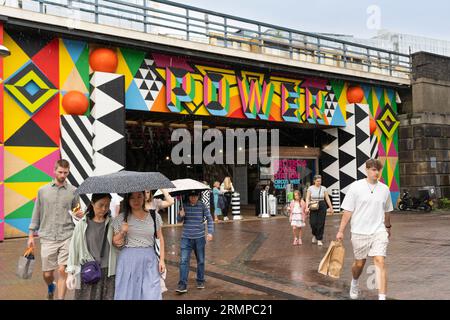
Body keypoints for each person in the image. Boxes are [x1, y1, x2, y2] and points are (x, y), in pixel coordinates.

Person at [336, 159, 393, 300]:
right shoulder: (356, 187)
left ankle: (382, 297)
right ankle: (354, 282)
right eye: (374, 170)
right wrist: (341, 230)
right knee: (359, 264)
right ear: (366, 170)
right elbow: (348, 211)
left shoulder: (384, 189)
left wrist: (387, 226)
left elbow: (387, 211)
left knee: (380, 261)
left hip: (378, 231)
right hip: (359, 232)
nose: (377, 172)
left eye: (378, 170)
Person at [28, 159, 82, 300]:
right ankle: (50, 286)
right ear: (54, 171)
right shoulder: (43, 191)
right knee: (47, 273)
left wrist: (78, 214)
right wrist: (31, 235)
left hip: (67, 235)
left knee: (62, 270)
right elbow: (36, 212)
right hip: (47, 236)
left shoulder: (73, 191)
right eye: (60, 172)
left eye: (66, 172)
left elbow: (77, 211)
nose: (63, 175)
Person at [112, 191, 166, 300]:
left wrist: (162, 260)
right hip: (128, 261)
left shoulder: (154, 216)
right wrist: (122, 232)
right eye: (132, 198)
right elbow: (115, 242)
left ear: (144, 197)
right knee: (128, 293)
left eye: (139, 196)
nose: (136, 200)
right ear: (127, 200)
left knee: (152, 293)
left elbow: (160, 238)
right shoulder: (121, 218)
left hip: (150, 259)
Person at [66, 193, 117, 300]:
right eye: (101, 205)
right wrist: (71, 273)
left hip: (108, 273)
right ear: (92, 204)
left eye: (107, 205)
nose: (104, 209)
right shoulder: (82, 224)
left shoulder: (113, 223)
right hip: (89, 271)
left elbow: (119, 245)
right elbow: (74, 248)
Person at [176, 190, 214, 294]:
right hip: (186, 238)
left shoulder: (202, 206)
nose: (193, 198)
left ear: (198, 196)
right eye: (191, 196)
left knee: (201, 261)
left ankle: (200, 280)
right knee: (183, 261)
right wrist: (181, 215)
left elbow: (210, 219)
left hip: (200, 238)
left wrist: (210, 232)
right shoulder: (183, 206)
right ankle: (182, 285)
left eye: (195, 196)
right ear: (188, 197)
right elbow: (178, 220)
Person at [305, 175, 333, 246]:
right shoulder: (310, 188)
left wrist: (331, 207)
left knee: (321, 223)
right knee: (313, 223)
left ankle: (319, 239)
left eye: (320, 181)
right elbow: (307, 198)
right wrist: (307, 207)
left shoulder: (323, 188)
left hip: (322, 205)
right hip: (313, 204)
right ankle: (314, 234)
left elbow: (327, 198)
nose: (319, 182)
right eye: (317, 181)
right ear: (314, 181)